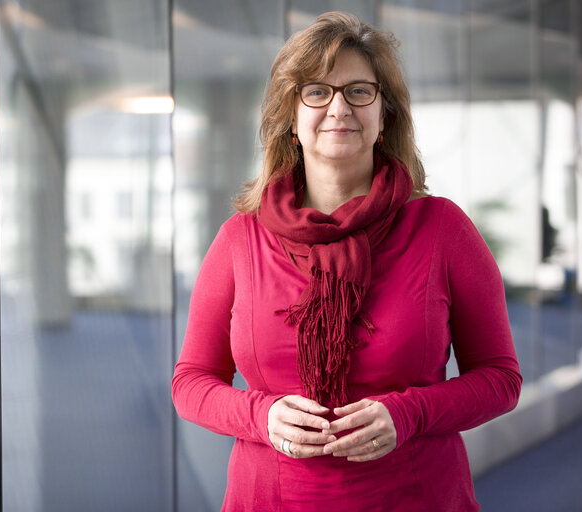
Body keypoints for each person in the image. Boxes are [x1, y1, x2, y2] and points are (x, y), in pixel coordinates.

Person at [172, 11, 521, 512]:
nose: (339, 108)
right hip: (269, 498)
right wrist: (260, 416)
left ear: (384, 116)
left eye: (359, 91)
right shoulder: (239, 240)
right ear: (290, 119)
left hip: (415, 497)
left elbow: (500, 379)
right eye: (316, 91)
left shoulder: (442, 230)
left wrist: (409, 414)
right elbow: (191, 382)